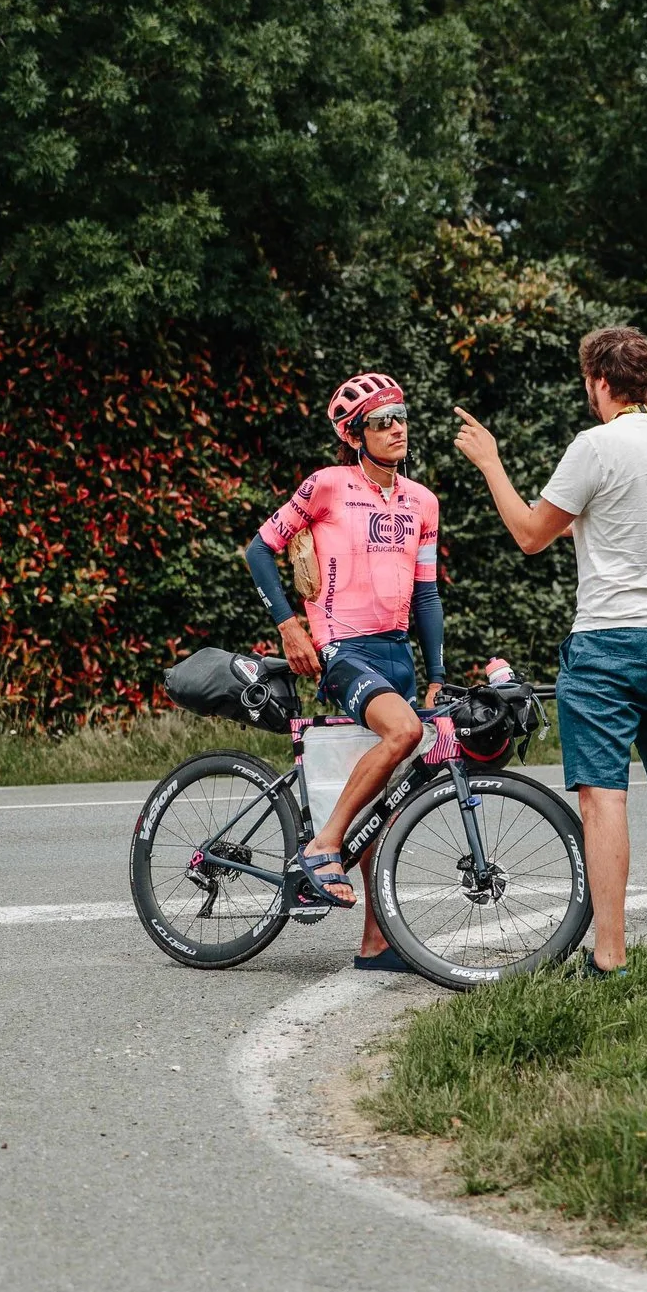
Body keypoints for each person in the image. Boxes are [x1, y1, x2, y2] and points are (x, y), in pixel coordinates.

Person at [451, 326, 647, 976]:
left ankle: (609, 958)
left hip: (608, 643)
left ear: (599, 381)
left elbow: (529, 534)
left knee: (604, 799)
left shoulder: (595, 446)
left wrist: (490, 460)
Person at [244, 371, 443, 969]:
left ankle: (376, 943)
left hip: (396, 652)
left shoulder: (422, 501)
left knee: (389, 796)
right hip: (342, 650)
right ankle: (323, 844)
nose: (396, 427)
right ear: (355, 434)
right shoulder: (327, 486)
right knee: (404, 734)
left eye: (402, 416)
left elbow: (428, 596)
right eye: (382, 421)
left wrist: (435, 672)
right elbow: (259, 549)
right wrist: (288, 624)